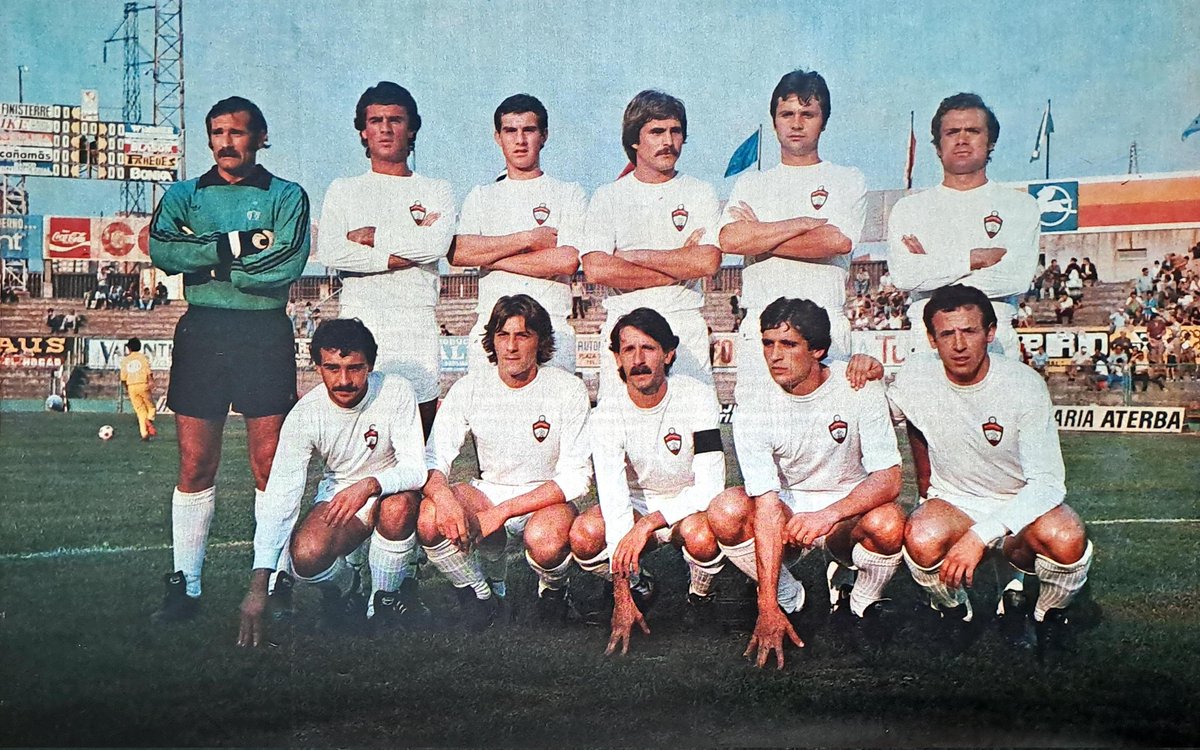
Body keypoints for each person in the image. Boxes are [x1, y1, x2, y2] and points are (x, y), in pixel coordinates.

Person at [148, 95, 310, 623]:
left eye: (237, 132)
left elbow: (284, 263)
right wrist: (237, 246)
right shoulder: (183, 194)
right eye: (217, 132)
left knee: (269, 465)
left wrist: (220, 264)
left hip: (264, 330)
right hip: (202, 331)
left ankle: (276, 577)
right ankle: (186, 586)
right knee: (196, 462)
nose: (226, 142)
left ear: (261, 138)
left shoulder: (287, 196)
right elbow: (164, 251)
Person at [888, 284, 1093, 653]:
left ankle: (1048, 615)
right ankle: (954, 612)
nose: (959, 344)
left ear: (991, 333)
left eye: (969, 331)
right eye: (947, 334)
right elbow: (874, 415)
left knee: (1067, 537)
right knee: (920, 536)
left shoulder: (1024, 385)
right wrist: (858, 371)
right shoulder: (916, 379)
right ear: (932, 340)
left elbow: (1047, 484)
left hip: (1020, 503)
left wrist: (979, 537)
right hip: (956, 502)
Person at [706, 298, 901, 669]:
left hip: (845, 507)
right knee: (726, 509)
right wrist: (766, 605)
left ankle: (859, 604)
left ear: (818, 349)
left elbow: (889, 478)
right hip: (788, 510)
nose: (775, 356)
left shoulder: (857, 385)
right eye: (768, 343)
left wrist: (829, 515)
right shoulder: (753, 404)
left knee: (889, 521)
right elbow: (765, 504)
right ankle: (790, 598)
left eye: (789, 344)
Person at [237, 319, 428, 647]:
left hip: (391, 487)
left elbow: (415, 469)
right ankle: (349, 585)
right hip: (341, 490)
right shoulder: (305, 414)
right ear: (317, 367)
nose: (344, 380)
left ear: (370, 366)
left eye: (355, 368)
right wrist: (259, 585)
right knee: (307, 556)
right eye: (332, 368)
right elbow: (281, 494)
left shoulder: (396, 391)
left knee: (396, 509)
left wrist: (370, 484)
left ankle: (381, 603)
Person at [420, 295, 592, 629]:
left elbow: (578, 477)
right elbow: (433, 459)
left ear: (539, 341)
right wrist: (444, 499)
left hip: (544, 497)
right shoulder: (469, 388)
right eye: (503, 335)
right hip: (488, 491)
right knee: (430, 516)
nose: (511, 347)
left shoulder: (567, 389)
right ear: (492, 341)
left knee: (546, 540)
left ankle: (553, 592)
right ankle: (480, 594)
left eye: (522, 336)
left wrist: (500, 513)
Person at [569, 308, 727, 655]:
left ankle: (699, 597)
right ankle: (640, 588)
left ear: (668, 353)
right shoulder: (606, 414)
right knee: (584, 534)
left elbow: (711, 486)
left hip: (688, 505)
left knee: (704, 535)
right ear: (617, 358)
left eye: (649, 348)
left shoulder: (697, 397)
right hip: (638, 505)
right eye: (628, 350)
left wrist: (649, 527)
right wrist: (621, 595)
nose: (638, 360)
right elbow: (613, 497)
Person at [719, 69, 866, 405]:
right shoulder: (751, 183)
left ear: (824, 121)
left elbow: (836, 242)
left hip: (824, 324)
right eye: (787, 114)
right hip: (762, 326)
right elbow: (730, 239)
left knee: (832, 438)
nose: (796, 124)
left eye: (807, 114)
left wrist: (761, 235)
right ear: (774, 122)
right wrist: (803, 223)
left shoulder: (846, 178)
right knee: (760, 437)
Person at [316, 81, 455, 437]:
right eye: (376, 120)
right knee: (359, 430)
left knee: (419, 432)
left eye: (395, 119)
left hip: (415, 318)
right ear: (363, 130)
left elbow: (436, 246)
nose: (386, 128)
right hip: (362, 316)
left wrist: (373, 237)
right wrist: (394, 258)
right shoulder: (344, 189)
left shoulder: (436, 188)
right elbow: (332, 250)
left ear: (412, 129)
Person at [580, 90, 721, 403]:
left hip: (683, 324)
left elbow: (708, 262)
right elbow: (596, 268)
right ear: (634, 140)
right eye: (656, 132)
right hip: (625, 329)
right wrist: (679, 263)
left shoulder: (700, 192)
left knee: (697, 428)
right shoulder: (609, 196)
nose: (668, 141)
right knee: (619, 430)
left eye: (675, 131)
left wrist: (635, 256)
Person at [887, 93, 1040, 359]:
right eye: (952, 132)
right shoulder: (909, 208)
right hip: (927, 342)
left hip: (994, 340)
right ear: (937, 145)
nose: (962, 139)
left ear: (990, 142)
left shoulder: (1020, 206)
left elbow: (1015, 278)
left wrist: (931, 268)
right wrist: (973, 259)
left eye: (973, 131)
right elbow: (904, 276)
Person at [452, 94, 586, 375]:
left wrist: (492, 257)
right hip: (493, 333)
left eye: (529, 130)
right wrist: (526, 239)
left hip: (552, 331)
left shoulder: (568, 192)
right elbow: (459, 253)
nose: (520, 140)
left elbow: (566, 261)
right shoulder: (481, 196)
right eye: (510, 131)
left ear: (544, 135)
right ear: (498, 137)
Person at [119, 337, 157, 441]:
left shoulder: (125, 360)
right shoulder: (143, 357)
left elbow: (123, 378)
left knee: (140, 411)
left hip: (131, 386)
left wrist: (127, 388)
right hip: (142, 384)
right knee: (151, 407)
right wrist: (151, 381)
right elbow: (148, 371)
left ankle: (144, 434)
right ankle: (149, 420)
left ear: (129, 348)